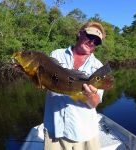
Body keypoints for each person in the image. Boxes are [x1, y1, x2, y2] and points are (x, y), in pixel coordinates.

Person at [44, 21, 106, 150]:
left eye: (96, 41)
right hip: (55, 130)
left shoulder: (98, 67)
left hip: (85, 132)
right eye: (90, 36)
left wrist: (90, 95)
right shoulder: (56, 55)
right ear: (80, 33)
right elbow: (45, 82)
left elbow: (95, 103)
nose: (92, 42)